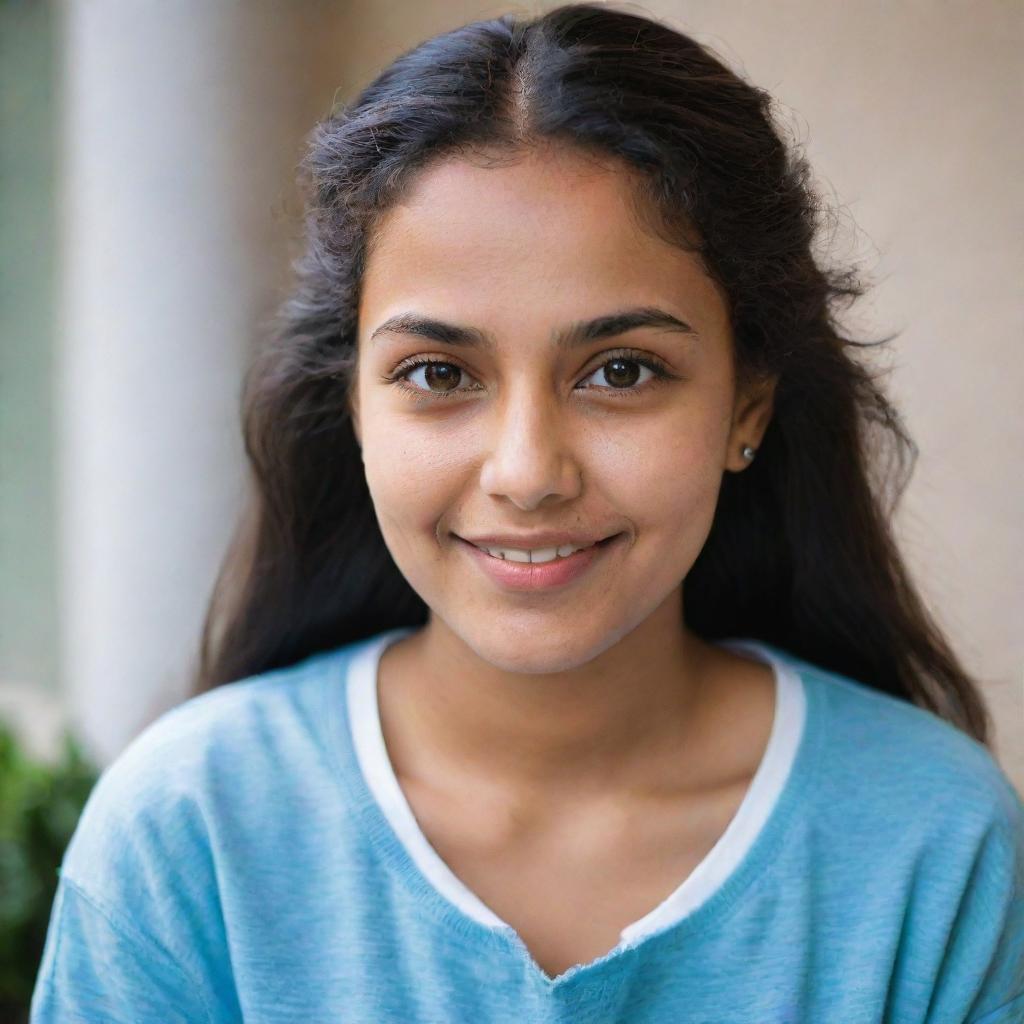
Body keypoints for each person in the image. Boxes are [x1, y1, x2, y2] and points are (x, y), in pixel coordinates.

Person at [31, 4, 1022, 1022]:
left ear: (746, 406)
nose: (526, 471)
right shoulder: (188, 836)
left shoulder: (933, 850)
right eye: (437, 372)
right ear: (355, 409)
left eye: (621, 370)